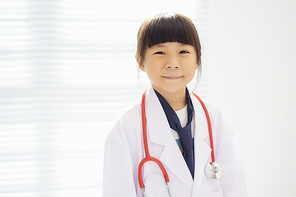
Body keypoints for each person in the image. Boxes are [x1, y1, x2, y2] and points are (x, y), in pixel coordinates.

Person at [103, 13, 247, 197]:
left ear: (197, 60)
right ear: (141, 61)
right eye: (160, 52)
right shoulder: (126, 128)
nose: (172, 63)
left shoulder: (214, 119)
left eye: (183, 52)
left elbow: (236, 188)